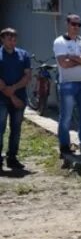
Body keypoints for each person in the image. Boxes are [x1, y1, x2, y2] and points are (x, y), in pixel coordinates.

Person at [53, 14, 81, 156]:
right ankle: (64, 145)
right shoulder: (60, 42)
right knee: (66, 117)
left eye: (79, 24)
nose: (76, 27)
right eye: (73, 24)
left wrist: (74, 58)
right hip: (67, 84)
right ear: (67, 24)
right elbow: (63, 64)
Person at [0, 27, 31, 170]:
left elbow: (27, 76)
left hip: (20, 97)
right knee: (0, 128)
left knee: (16, 129)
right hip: (2, 98)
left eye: (14, 39)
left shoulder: (23, 55)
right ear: (3, 39)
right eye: (9, 39)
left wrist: (14, 89)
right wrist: (11, 95)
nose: (12, 42)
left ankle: (12, 157)